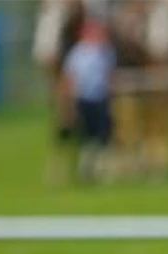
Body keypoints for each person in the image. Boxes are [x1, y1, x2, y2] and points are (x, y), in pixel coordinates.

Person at [61, 16, 117, 182]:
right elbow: (71, 76)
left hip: (100, 97)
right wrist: (69, 99)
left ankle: (100, 166)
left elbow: (109, 74)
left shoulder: (105, 51)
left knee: (102, 132)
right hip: (83, 97)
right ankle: (85, 166)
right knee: (85, 133)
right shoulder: (77, 53)